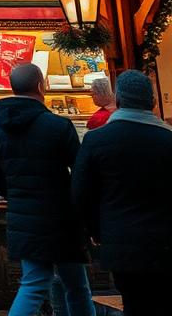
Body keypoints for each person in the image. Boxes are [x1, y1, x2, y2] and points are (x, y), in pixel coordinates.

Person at [0, 64, 94, 316]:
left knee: (33, 283)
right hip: (62, 217)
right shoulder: (58, 126)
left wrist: (18, 196)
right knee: (76, 286)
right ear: (40, 86)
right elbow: (80, 172)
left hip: (24, 218)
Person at [72, 70, 172, 316]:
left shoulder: (97, 140)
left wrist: (95, 230)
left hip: (119, 239)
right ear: (153, 102)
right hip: (166, 242)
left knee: (134, 302)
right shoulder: (167, 139)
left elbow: (81, 193)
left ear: (119, 100)